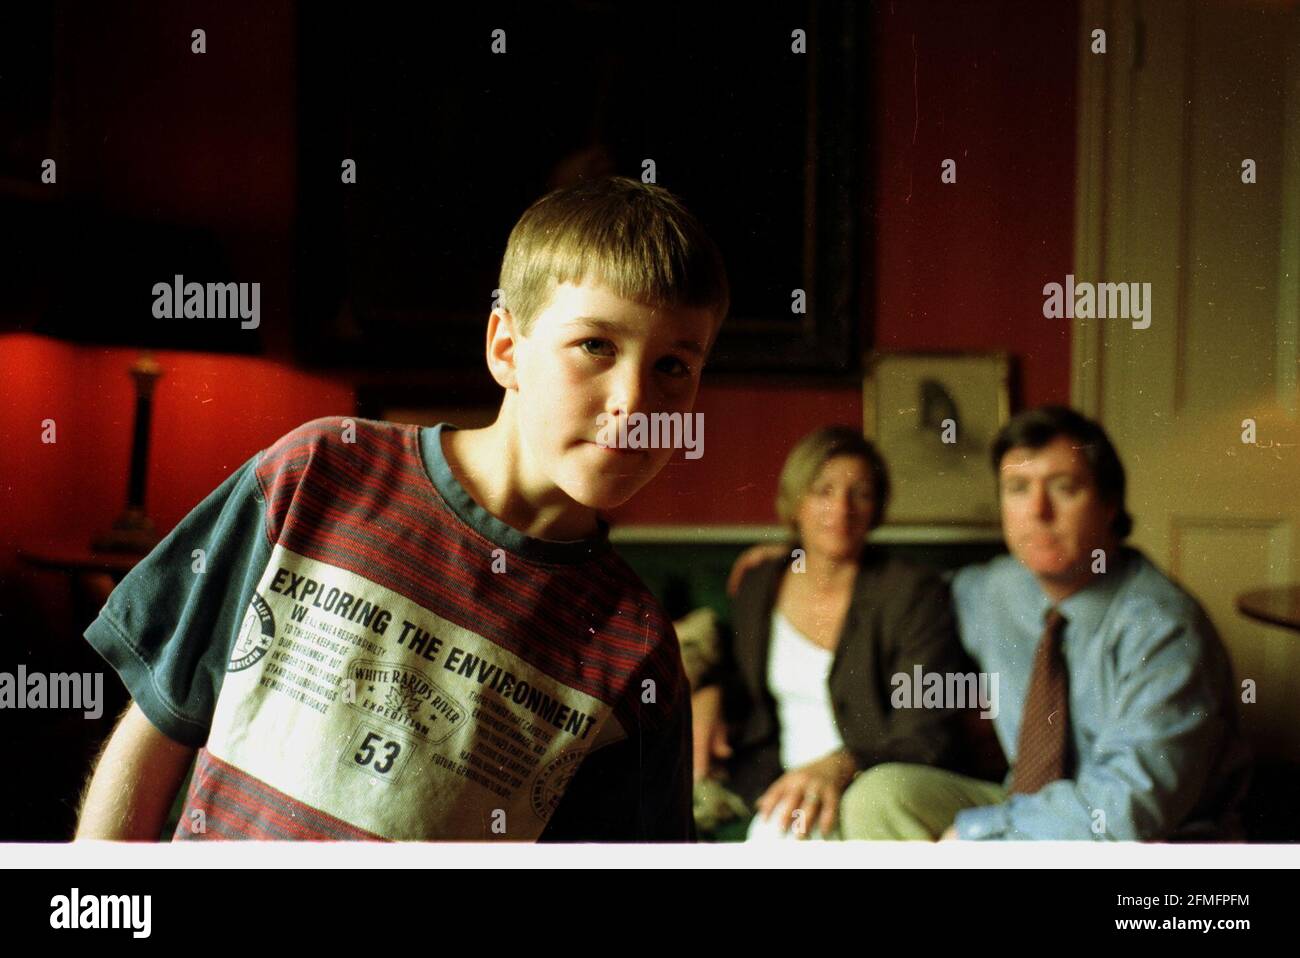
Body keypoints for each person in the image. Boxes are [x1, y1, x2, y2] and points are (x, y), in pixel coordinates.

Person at [75, 176, 729, 842]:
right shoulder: (322, 474)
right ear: (507, 347)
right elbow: (157, 728)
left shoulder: (636, 650)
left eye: (673, 366)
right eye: (596, 346)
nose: (635, 403)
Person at [840, 407, 1253, 840]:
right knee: (880, 797)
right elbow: (910, 597)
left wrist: (980, 835)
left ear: (1109, 503)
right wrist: (789, 568)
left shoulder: (1164, 630)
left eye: (1064, 488)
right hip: (1032, 804)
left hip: (1153, 840)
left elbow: (1128, 809)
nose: (1038, 510)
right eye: (1017, 489)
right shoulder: (998, 589)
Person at [694, 427, 969, 840]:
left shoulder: (911, 593)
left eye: (859, 493)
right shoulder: (760, 583)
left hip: (866, 780)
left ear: (876, 506)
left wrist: (842, 764)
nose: (841, 510)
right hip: (768, 779)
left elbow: (927, 732)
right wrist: (709, 694)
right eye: (823, 491)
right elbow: (742, 682)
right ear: (796, 501)